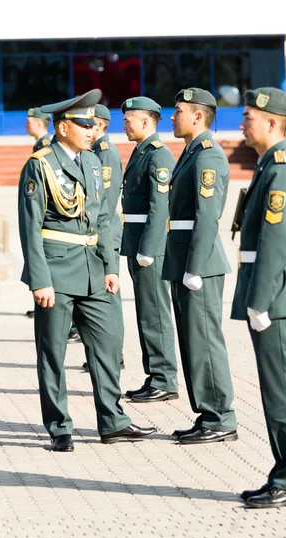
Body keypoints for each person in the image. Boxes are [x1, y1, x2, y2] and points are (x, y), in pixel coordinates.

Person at [18, 89, 157, 451]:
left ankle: (112, 421)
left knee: (108, 346)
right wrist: (39, 279)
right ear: (63, 127)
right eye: (83, 124)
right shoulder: (41, 164)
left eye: (94, 124)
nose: (91, 130)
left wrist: (111, 266)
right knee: (53, 354)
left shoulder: (93, 162)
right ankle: (59, 426)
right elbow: (30, 227)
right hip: (57, 272)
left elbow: (103, 219)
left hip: (95, 270)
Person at [231, 87, 286, 508]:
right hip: (272, 290)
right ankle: (285, 473)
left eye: (249, 117)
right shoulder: (269, 164)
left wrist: (260, 300)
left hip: (278, 294)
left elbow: (274, 242)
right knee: (276, 389)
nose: (242, 123)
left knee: (283, 390)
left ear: (271, 123)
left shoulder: (282, 169)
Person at [162, 87, 237, 444]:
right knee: (192, 341)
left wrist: (194, 266)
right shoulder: (191, 152)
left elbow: (207, 216)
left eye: (178, 111)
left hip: (199, 264)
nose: (172, 117)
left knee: (204, 341)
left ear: (197, 115)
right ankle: (207, 413)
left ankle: (221, 417)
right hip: (184, 259)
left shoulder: (208, 156)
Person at [120, 96, 178, 403]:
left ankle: (164, 379)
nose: (124, 125)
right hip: (137, 242)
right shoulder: (142, 151)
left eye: (129, 119)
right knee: (146, 312)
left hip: (149, 247)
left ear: (145, 121)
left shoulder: (158, 155)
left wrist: (148, 249)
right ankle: (154, 375)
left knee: (155, 312)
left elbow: (160, 208)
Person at [81, 103, 125, 371]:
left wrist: (96, 236)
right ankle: (103, 353)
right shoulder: (93, 152)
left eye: (88, 123)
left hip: (104, 237)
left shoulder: (106, 154)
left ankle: (113, 354)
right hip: (95, 237)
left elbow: (105, 204)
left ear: (100, 125)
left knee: (109, 298)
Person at [25, 107, 52, 317]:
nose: (26, 125)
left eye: (30, 122)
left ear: (39, 124)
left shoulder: (45, 145)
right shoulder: (39, 144)